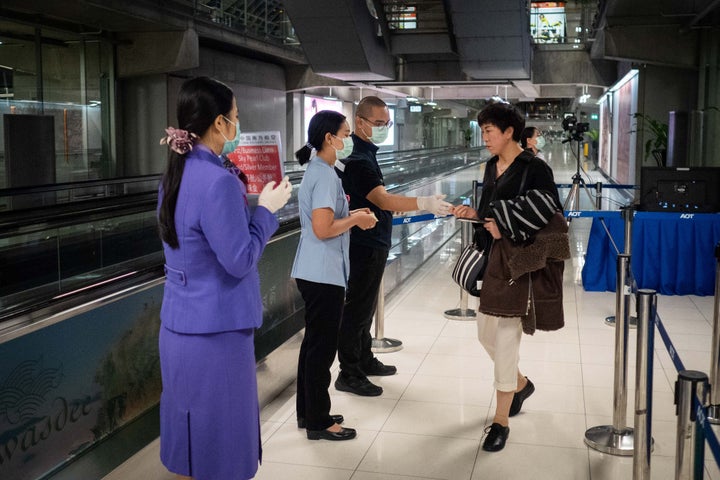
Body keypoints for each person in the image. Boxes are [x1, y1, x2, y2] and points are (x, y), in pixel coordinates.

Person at [157, 76, 292, 480]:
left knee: (188, 433)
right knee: (223, 437)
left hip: (178, 327)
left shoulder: (174, 176)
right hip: (217, 333)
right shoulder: (218, 182)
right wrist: (266, 211)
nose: (237, 125)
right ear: (218, 123)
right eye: (234, 117)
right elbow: (239, 259)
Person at [452, 102, 565, 453]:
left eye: (489, 131)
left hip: (518, 265)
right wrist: (475, 214)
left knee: (503, 340)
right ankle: (520, 384)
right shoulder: (491, 166)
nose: (484, 137)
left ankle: (500, 422)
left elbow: (549, 215)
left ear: (509, 132)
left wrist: (508, 226)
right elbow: (490, 209)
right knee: (485, 332)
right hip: (492, 261)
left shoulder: (535, 168)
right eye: (482, 130)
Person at [334, 96, 453, 397]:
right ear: (359, 122)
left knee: (367, 306)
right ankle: (349, 373)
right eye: (378, 123)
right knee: (358, 309)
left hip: (374, 240)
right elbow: (383, 199)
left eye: (386, 123)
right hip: (363, 244)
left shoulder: (367, 153)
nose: (384, 128)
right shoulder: (359, 160)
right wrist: (422, 203)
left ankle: (364, 359)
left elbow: (377, 200)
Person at [291, 110, 377, 441]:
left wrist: (353, 214)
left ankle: (308, 411)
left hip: (314, 270)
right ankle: (320, 421)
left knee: (313, 344)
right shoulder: (325, 175)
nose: (348, 139)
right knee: (322, 349)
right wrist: (355, 221)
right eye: (345, 133)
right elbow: (324, 228)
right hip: (322, 273)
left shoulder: (319, 170)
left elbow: (327, 218)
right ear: (330, 138)